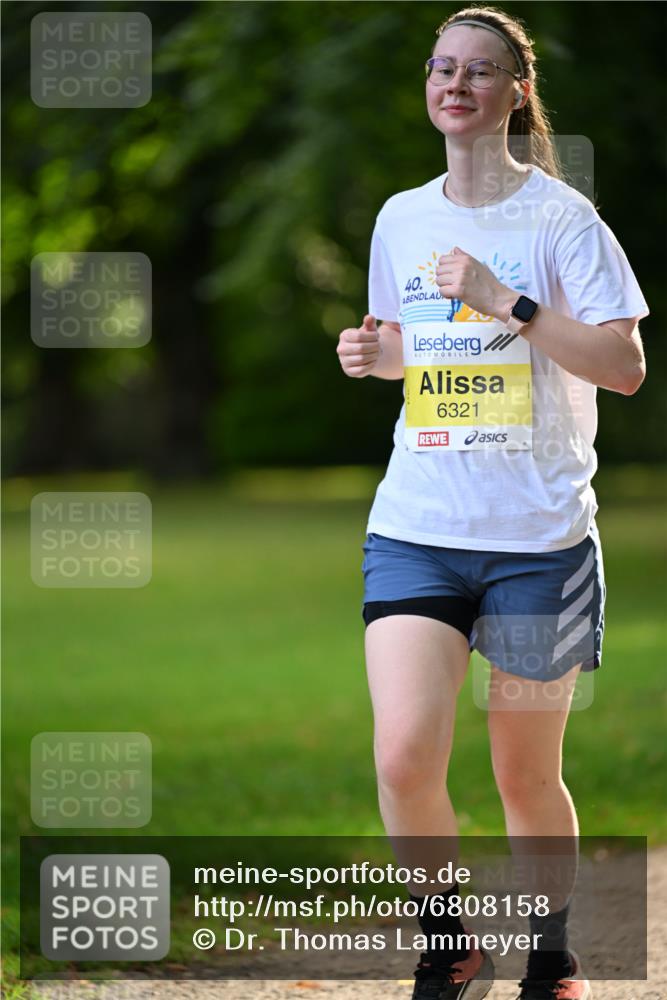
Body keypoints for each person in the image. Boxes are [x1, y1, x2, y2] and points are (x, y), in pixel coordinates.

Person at [336, 6, 649, 1000]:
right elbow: (413, 352)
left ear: (517, 93)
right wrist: (371, 354)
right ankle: (450, 941)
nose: (455, 83)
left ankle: (549, 956)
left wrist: (505, 300)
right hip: (417, 529)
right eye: (441, 68)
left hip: (537, 541)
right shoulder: (399, 215)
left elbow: (625, 365)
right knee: (401, 754)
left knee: (523, 774)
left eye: (478, 71)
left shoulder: (560, 218)